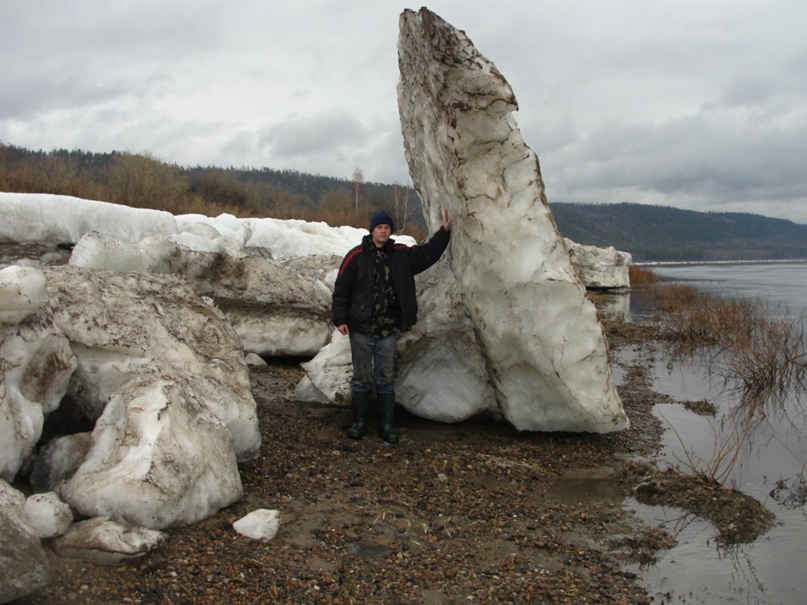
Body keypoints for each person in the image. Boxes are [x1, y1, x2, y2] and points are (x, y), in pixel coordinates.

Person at [332, 208, 452, 443]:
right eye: (380, 227)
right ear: (372, 230)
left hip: (388, 329)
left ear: (390, 231)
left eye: (387, 228)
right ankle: (359, 424)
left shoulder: (400, 254)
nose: (383, 231)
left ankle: (386, 426)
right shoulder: (356, 256)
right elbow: (342, 288)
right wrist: (340, 318)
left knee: (385, 378)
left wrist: (444, 233)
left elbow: (427, 255)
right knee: (362, 378)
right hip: (361, 328)